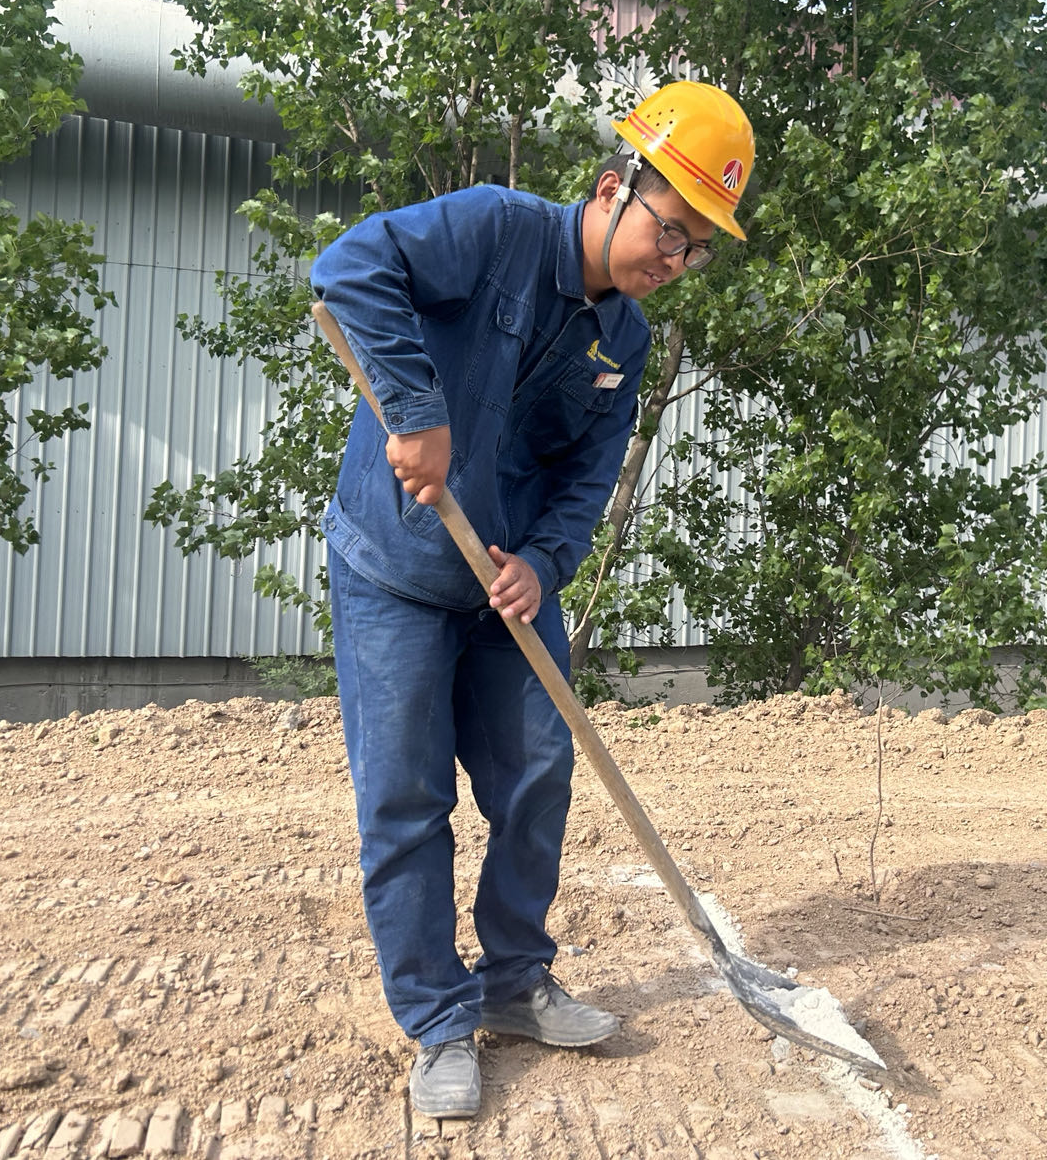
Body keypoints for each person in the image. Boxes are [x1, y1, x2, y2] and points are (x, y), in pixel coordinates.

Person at [311, 81, 755, 1120]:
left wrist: (547, 564)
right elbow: (349, 268)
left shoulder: (623, 341)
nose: (675, 260)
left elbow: (584, 479)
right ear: (611, 189)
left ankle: (514, 980)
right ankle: (437, 1019)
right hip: (395, 571)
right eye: (671, 230)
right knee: (406, 800)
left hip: (505, 588)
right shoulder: (493, 229)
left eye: (695, 249)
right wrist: (415, 411)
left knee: (537, 773)